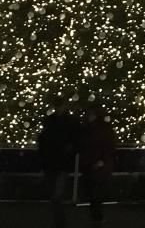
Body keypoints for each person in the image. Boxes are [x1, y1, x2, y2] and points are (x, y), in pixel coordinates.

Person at [37, 97, 79, 228]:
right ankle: (59, 221)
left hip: (59, 163)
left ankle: (60, 222)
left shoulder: (62, 122)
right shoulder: (60, 121)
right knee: (55, 195)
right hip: (54, 162)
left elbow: (43, 139)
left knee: (56, 195)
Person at [78, 106, 116, 226]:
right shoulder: (95, 129)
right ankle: (96, 216)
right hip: (92, 163)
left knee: (95, 191)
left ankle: (96, 216)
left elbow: (108, 145)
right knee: (93, 191)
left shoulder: (93, 129)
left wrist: (102, 160)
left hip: (96, 163)